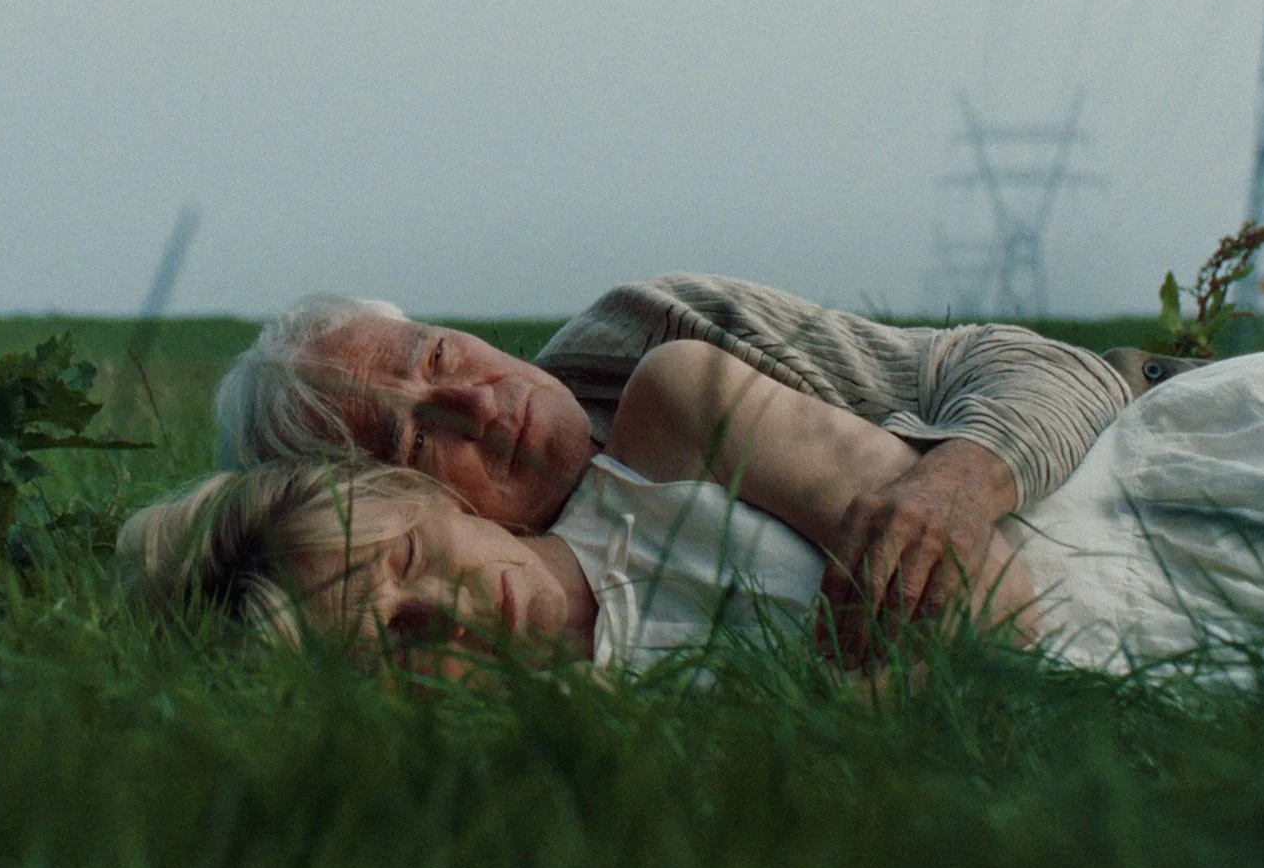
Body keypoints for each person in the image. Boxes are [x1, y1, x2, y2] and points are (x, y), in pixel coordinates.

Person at [130, 334, 1264, 678]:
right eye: (397, 640)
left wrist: (890, 689)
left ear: (420, 504)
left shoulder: (665, 410)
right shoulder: (585, 756)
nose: (443, 607)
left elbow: (1000, 599)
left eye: (413, 558)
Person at [210, 275, 1177, 645]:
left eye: (437, 357)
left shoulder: (653, 339)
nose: (477, 404)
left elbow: (1048, 369)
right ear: (389, 498)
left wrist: (959, 480)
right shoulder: (500, 624)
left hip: (1147, 438)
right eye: (418, 438)